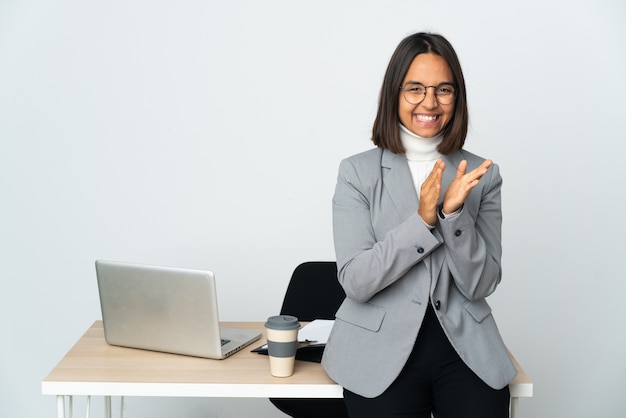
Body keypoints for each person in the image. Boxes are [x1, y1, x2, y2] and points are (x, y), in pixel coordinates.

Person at [321, 32, 517, 418]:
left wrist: (452, 217)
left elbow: (481, 285)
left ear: (456, 97)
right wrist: (423, 221)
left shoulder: (482, 175)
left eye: (443, 89)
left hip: (465, 346)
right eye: (415, 89)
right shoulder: (356, 173)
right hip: (377, 348)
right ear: (394, 93)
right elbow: (357, 282)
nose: (430, 102)